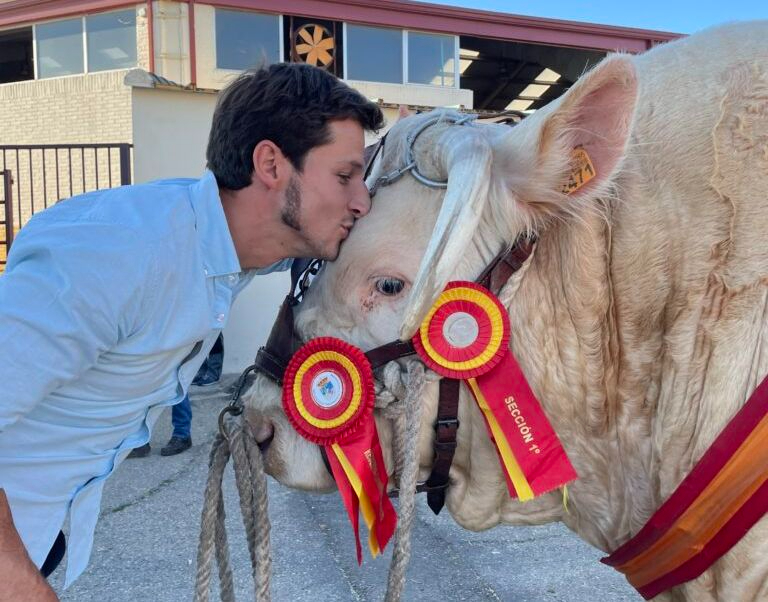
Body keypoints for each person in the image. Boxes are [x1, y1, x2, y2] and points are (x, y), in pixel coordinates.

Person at [0, 62, 384, 600]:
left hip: (36, 533)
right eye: (345, 177)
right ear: (270, 165)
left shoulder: (230, 242)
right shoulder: (116, 253)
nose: (362, 201)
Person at [128, 333, 223, 458]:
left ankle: (182, 435)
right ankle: (141, 439)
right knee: (146, 383)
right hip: (151, 336)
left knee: (176, 380)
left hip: (172, 335)